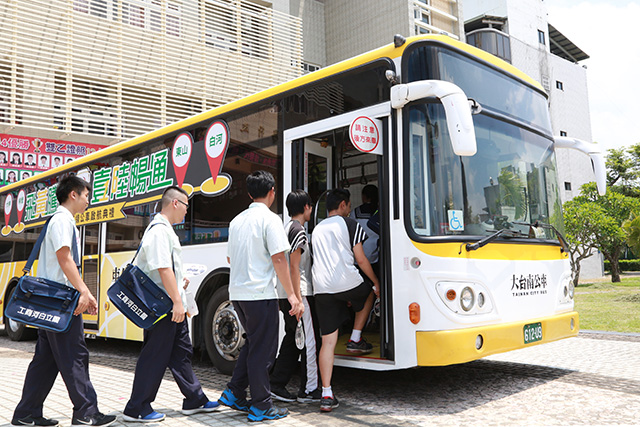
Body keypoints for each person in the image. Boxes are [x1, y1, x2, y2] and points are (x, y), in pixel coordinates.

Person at [11, 175, 116, 427]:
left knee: (46, 361)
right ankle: (85, 412)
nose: (88, 200)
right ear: (74, 194)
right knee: (75, 356)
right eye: (86, 195)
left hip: (53, 302)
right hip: (62, 301)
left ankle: (26, 413)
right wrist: (84, 291)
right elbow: (64, 258)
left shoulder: (60, 220)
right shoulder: (62, 220)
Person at [122, 186, 218, 422]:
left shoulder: (166, 231)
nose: (187, 212)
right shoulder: (158, 231)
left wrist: (179, 285)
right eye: (186, 206)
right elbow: (161, 268)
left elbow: (168, 269)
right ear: (175, 203)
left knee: (181, 352)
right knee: (155, 355)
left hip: (170, 303)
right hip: (161, 307)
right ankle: (136, 407)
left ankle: (194, 398)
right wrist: (176, 301)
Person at [219, 170, 304, 422]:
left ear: (248, 193)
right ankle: (261, 406)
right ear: (272, 192)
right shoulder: (271, 219)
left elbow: (229, 259)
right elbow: (279, 258)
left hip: (238, 294)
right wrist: (292, 296)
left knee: (254, 344)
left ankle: (234, 392)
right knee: (264, 352)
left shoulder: (236, 221)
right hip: (260, 295)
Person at [311, 188, 380, 412]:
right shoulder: (349, 224)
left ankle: (327, 394)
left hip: (321, 288)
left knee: (327, 342)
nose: (350, 210)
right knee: (368, 291)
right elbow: (361, 259)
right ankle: (356, 339)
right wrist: (376, 282)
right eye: (349, 206)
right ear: (342, 205)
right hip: (346, 282)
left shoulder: (317, 228)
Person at [269, 190, 322, 404]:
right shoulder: (299, 231)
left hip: (283, 292)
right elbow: (294, 266)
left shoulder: (285, 228)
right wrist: (298, 299)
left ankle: (276, 383)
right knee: (309, 340)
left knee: (292, 339)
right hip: (299, 293)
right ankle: (309, 390)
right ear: (307, 207)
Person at [349, 184, 379, 274]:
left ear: (364, 197)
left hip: (359, 258)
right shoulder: (381, 211)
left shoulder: (355, 212)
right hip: (376, 257)